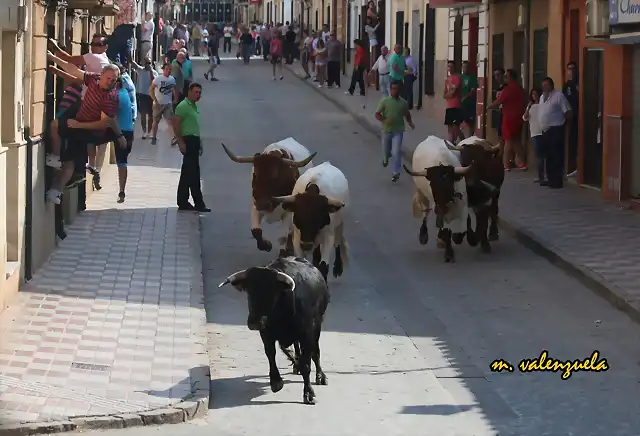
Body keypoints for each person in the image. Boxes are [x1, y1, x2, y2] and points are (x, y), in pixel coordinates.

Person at [44, 54, 125, 205]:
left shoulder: (111, 97)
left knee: (70, 161)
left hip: (89, 131)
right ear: (101, 75)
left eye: (114, 80)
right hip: (79, 119)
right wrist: (53, 57)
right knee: (55, 126)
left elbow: (102, 124)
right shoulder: (93, 79)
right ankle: (55, 160)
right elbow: (74, 71)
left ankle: (56, 191)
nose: (111, 82)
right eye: (109, 78)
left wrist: (78, 125)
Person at [172, 83, 210, 213]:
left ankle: (182, 201)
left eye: (200, 93)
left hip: (194, 141)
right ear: (189, 91)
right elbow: (175, 124)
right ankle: (199, 203)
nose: (198, 95)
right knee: (194, 174)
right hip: (187, 140)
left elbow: (194, 125)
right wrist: (180, 141)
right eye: (196, 92)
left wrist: (200, 142)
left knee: (187, 173)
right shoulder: (183, 106)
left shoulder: (194, 106)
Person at [486, 68, 527, 171]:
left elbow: (499, 101)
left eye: (506, 76)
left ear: (511, 78)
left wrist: (488, 107)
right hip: (518, 118)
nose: (504, 78)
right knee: (516, 141)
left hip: (508, 119)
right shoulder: (520, 89)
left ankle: (506, 165)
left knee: (508, 142)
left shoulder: (508, 89)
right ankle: (522, 163)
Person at [375, 81, 415, 182]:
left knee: (396, 151)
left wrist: (410, 123)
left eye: (396, 88)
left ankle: (396, 172)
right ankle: (385, 158)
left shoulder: (403, 103)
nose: (394, 91)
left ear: (399, 90)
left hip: (398, 131)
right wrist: (384, 120)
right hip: (386, 131)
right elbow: (377, 114)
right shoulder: (385, 101)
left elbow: (407, 114)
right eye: (392, 88)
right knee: (386, 151)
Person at [539, 76, 573, 189]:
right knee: (548, 157)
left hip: (556, 130)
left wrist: (565, 124)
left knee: (557, 156)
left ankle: (557, 181)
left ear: (551, 85)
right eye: (543, 85)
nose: (545, 87)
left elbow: (568, 111)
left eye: (546, 85)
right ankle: (550, 179)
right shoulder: (541, 97)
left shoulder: (559, 96)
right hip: (545, 131)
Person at [113, 75, 136, 203]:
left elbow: (112, 116)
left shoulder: (116, 96)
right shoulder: (125, 93)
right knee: (123, 162)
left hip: (121, 132)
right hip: (129, 131)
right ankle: (122, 190)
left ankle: (95, 167)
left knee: (121, 163)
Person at [149, 63, 179, 145]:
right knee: (156, 121)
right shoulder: (158, 79)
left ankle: (174, 138)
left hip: (167, 103)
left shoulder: (172, 79)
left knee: (170, 121)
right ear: (163, 70)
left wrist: (175, 98)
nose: (169, 71)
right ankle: (154, 137)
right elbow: (151, 90)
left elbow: (174, 89)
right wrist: (155, 100)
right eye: (167, 69)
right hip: (158, 104)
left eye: (170, 69)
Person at [131, 57, 157, 139]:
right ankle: (144, 131)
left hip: (151, 95)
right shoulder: (140, 70)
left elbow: (154, 82)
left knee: (150, 115)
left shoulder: (154, 73)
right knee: (142, 114)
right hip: (142, 95)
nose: (147, 65)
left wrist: (151, 72)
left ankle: (149, 132)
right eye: (146, 63)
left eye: (149, 63)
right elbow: (133, 64)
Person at [523, 88, 545, 184]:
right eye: (533, 94)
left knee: (543, 155)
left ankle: (543, 176)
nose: (534, 96)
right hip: (535, 133)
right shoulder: (530, 106)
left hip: (543, 131)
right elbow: (525, 117)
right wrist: (528, 107)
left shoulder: (543, 105)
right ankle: (541, 176)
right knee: (539, 155)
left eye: (536, 94)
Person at [563, 61, 579, 177]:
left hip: (581, 117)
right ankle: (572, 167)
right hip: (570, 118)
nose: (571, 71)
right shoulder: (567, 85)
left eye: (573, 69)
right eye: (569, 69)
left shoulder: (580, 83)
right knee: (571, 141)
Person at [443, 60, 462, 143]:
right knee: (449, 126)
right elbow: (444, 94)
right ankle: (451, 141)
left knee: (456, 127)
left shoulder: (457, 78)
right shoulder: (447, 79)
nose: (449, 68)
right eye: (448, 66)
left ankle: (463, 141)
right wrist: (448, 94)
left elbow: (454, 93)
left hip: (456, 105)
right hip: (449, 106)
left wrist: (449, 94)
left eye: (451, 66)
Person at [460, 60, 479, 138]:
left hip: (470, 104)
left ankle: (469, 138)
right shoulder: (459, 77)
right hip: (461, 104)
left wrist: (465, 97)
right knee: (459, 122)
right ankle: (463, 139)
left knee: (470, 123)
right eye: (464, 67)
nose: (465, 69)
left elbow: (473, 90)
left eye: (467, 67)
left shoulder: (472, 78)